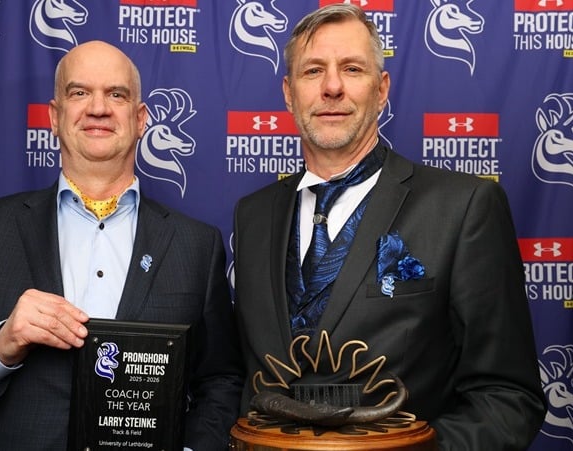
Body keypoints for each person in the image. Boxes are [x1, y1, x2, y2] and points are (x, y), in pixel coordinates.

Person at [0, 40, 243, 451]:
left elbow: (221, 379)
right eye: (79, 93)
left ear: (141, 118)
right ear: (54, 117)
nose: (98, 108)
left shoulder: (196, 244)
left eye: (116, 94)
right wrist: (2, 343)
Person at [232, 5, 546, 450]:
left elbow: (509, 397)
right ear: (288, 93)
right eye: (312, 71)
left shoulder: (465, 207)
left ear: (381, 91)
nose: (332, 87)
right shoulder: (253, 215)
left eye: (352, 68)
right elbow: (241, 378)